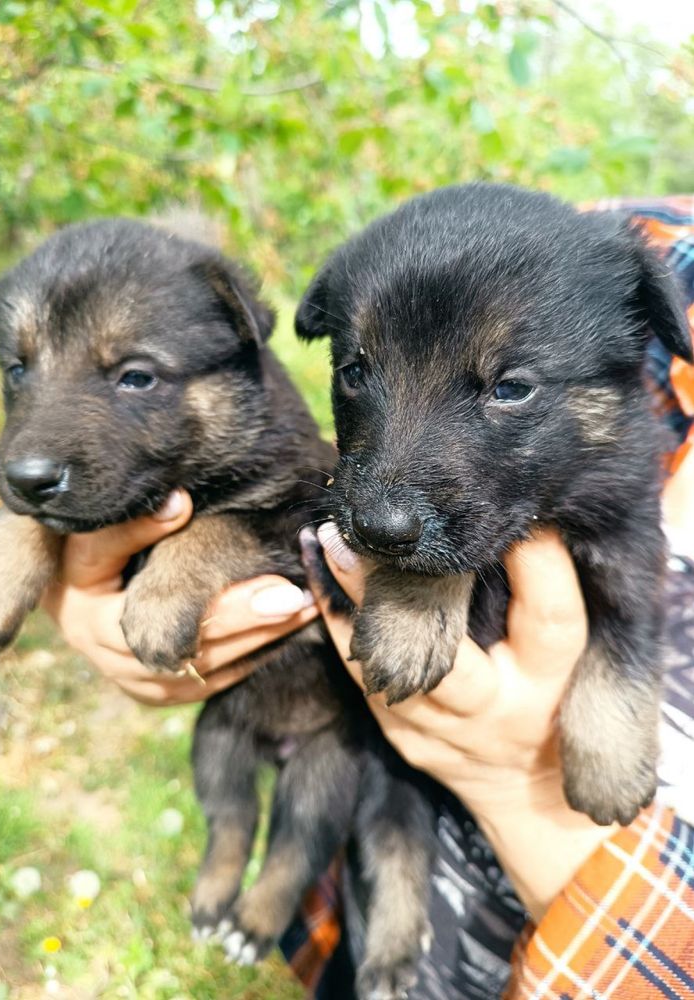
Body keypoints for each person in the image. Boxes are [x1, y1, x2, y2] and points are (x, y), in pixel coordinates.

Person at [42, 199, 694, 998]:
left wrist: (522, 791)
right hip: (351, 874)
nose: (385, 496)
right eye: (358, 374)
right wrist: (135, 591)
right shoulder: (631, 239)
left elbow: (626, 594)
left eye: (511, 388)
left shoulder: (610, 289)